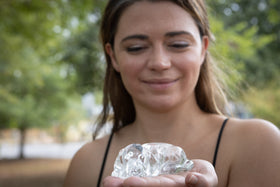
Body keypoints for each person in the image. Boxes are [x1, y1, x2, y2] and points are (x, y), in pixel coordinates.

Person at [63, 0, 280, 186]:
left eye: (178, 44)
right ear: (113, 57)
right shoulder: (86, 163)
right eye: (136, 47)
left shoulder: (259, 145)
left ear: (203, 49)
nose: (159, 63)